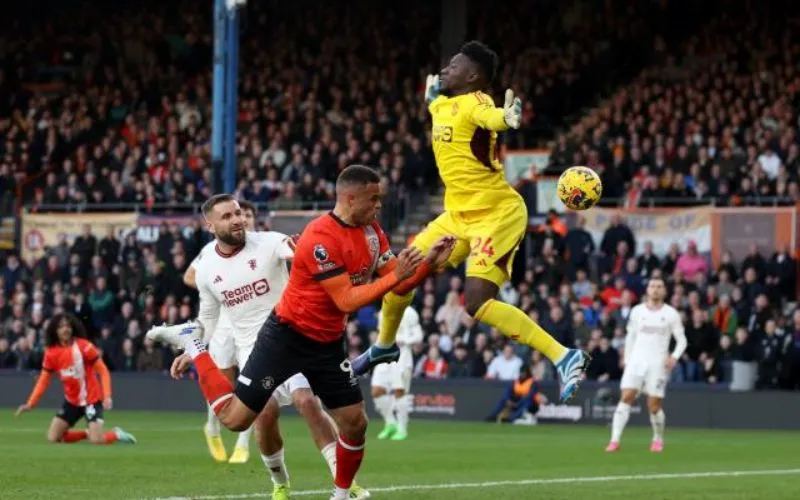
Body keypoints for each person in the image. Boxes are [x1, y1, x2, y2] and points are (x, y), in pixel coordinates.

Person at [147, 165, 455, 500]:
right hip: (284, 336)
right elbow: (348, 299)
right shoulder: (318, 238)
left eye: (239, 213)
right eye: (374, 198)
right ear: (351, 199)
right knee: (239, 421)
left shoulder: (367, 233)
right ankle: (194, 346)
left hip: (326, 341)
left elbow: (399, 277)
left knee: (352, 420)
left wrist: (429, 264)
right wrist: (200, 342)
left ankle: (340, 493)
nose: (379, 205)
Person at [354, 40, 590, 402]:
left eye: (454, 66)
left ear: (473, 76)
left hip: (497, 213)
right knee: (397, 276)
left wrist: (506, 118)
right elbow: (434, 102)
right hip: (457, 215)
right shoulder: (443, 104)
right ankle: (384, 346)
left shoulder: (477, 102)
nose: (447, 69)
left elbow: (491, 116)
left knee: (476, 302)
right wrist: (431, 92)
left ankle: (564, 355)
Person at [165, 195, 371, 499]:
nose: (236, 220)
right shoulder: (206, 266)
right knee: (266, 414)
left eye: (238, 213)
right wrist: (191, 349)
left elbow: (304, 251)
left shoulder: (270, 242)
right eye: (226, 217)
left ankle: (342, 479)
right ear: (209, 225)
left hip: (292, 338)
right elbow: (208, 315)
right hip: (253, 351)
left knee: (306, 400)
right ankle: (280, 483)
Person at [183, 199, 258, 464]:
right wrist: (221, 290)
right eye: (237, 214)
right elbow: (189, 276)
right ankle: (212, 426)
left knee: (251, 383)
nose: (242, 219)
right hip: (225, 322)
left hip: (254, 323)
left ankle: (243, 443)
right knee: (223, 381)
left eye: (245, 215)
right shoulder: (211, 250)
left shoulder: (261, 247)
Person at [15, 313, 137, 445]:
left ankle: (117, 434)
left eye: (68, 326)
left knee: (97, 440)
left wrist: (107, 395)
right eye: (61, 327)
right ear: (55, 331)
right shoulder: (51, 353)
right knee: (53, 438)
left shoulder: (84, 346)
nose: (65, 329)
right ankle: (86, 433)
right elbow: (44, 380)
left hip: (91, 400)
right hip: (72, 402)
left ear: (73, 328)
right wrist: (30, 404)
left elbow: (103, 371)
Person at [606, 277, 687, 453]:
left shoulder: (671, 314)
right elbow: (631, 337)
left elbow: (682, 340)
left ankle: (658, 438)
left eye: (659, 286)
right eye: (652, 286)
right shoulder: (637, 311)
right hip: (636, 362)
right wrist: (627, 359)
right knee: (626, 397)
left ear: (664, 291)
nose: (655, 289)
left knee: (654, 406)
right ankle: (614, 440)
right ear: (647, 290)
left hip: (658, 365)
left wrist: (674, 356)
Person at [371, 306, 423, 441]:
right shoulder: (383, 311)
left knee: (400, 392)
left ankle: (402, 428)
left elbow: (419, 335)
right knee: (376, 390)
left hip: (402, 356)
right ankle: (390, 423)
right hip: (383, 354)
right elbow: (381, 333)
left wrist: (404, 340)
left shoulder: (410, 312)